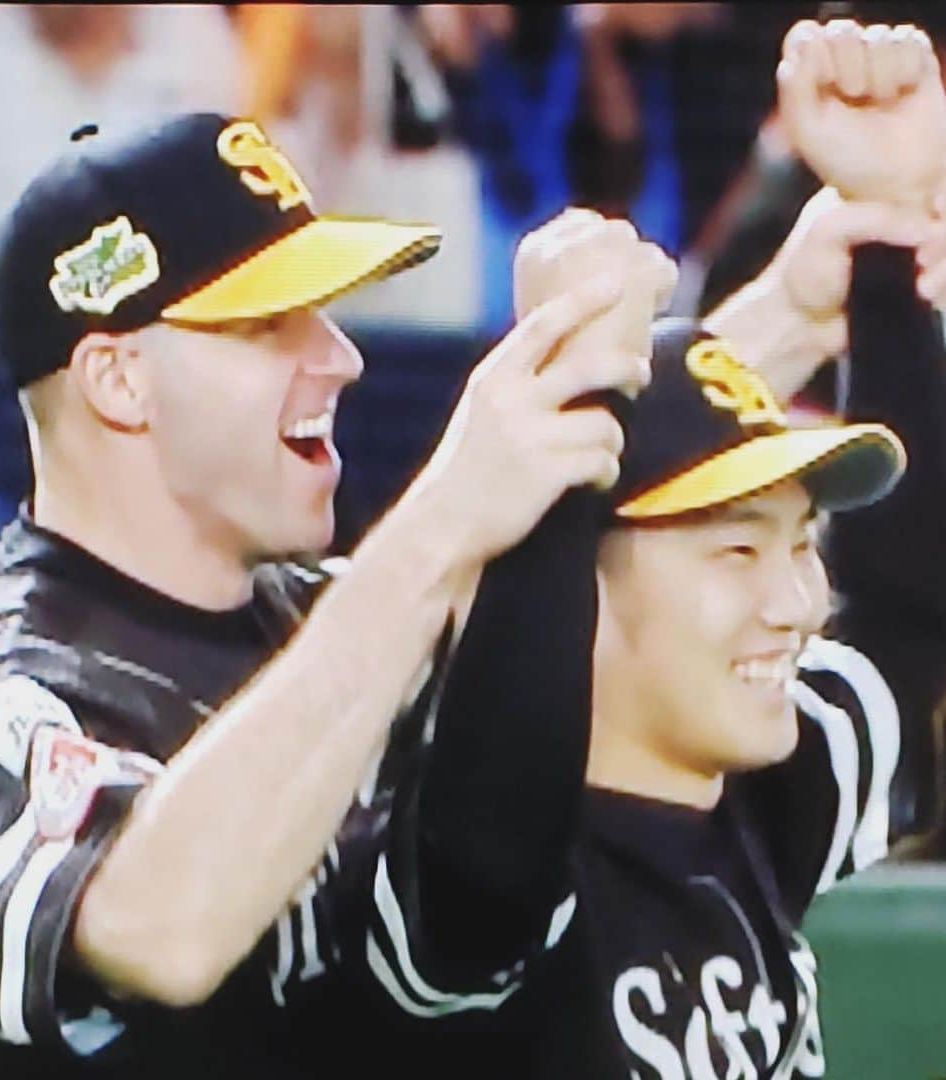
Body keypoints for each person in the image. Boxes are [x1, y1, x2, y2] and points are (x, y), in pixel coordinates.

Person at [0, 111, 677, 1076]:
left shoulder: (326, 621)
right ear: (120, 380)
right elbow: (155, 930)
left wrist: (614, 353)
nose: (342, 357)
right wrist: (442, 521)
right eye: (270, 322)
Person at [348, 18, 946, 1076]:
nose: (798, 602)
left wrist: (888, 230)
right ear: (582, 583)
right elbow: (495, 824)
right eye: (734, 553)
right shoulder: (481, 891)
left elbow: (899, 615)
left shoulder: (757, 802)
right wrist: (564, 380)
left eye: (800, 543)